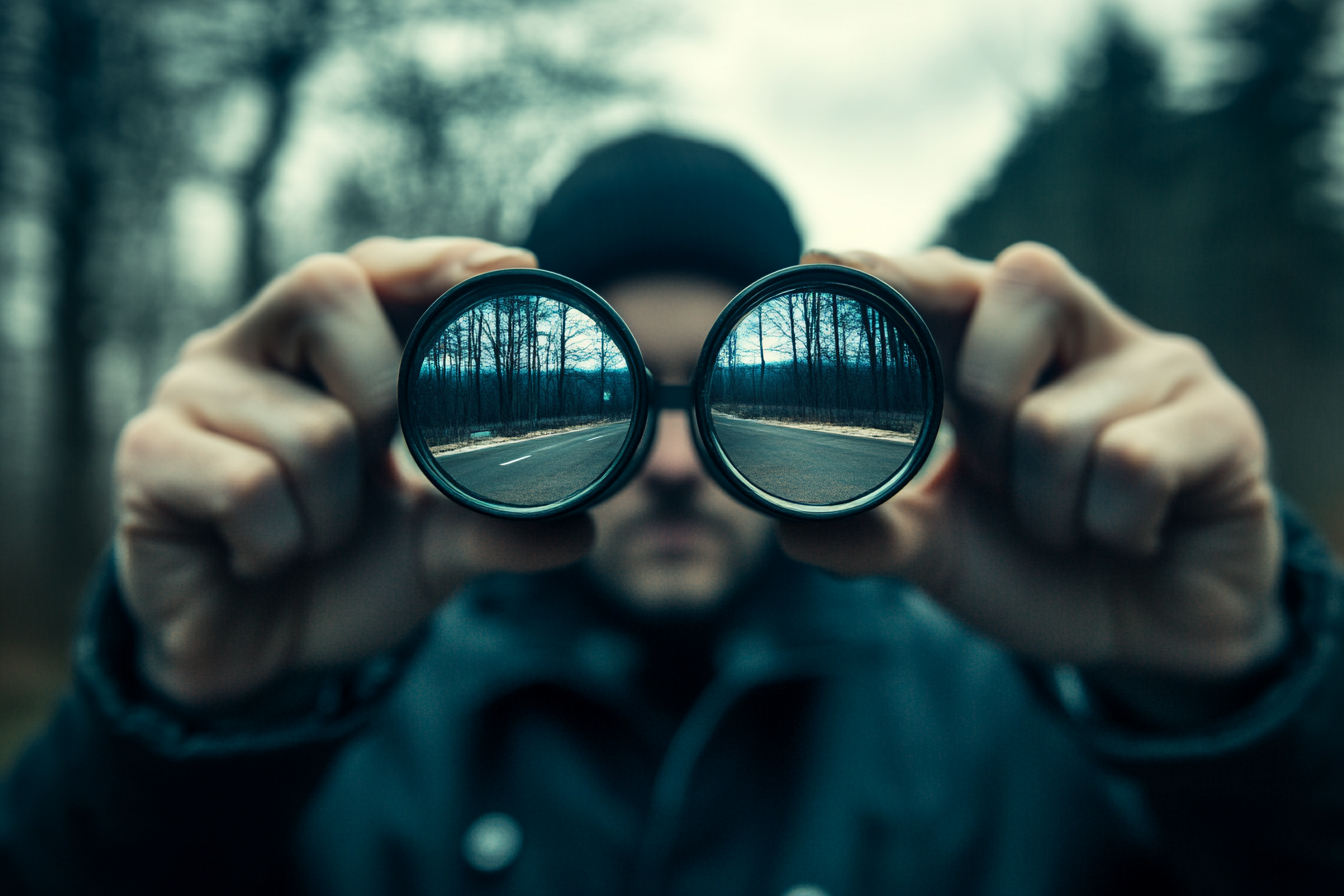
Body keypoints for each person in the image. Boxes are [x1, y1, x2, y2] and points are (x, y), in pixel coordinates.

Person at [3, 132, 1342, 895]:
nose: (675, 461)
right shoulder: (344, 728)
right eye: (612, 397)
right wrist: (187, 729)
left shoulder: (1004, 714)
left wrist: (1227, 695)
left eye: (731, 391)